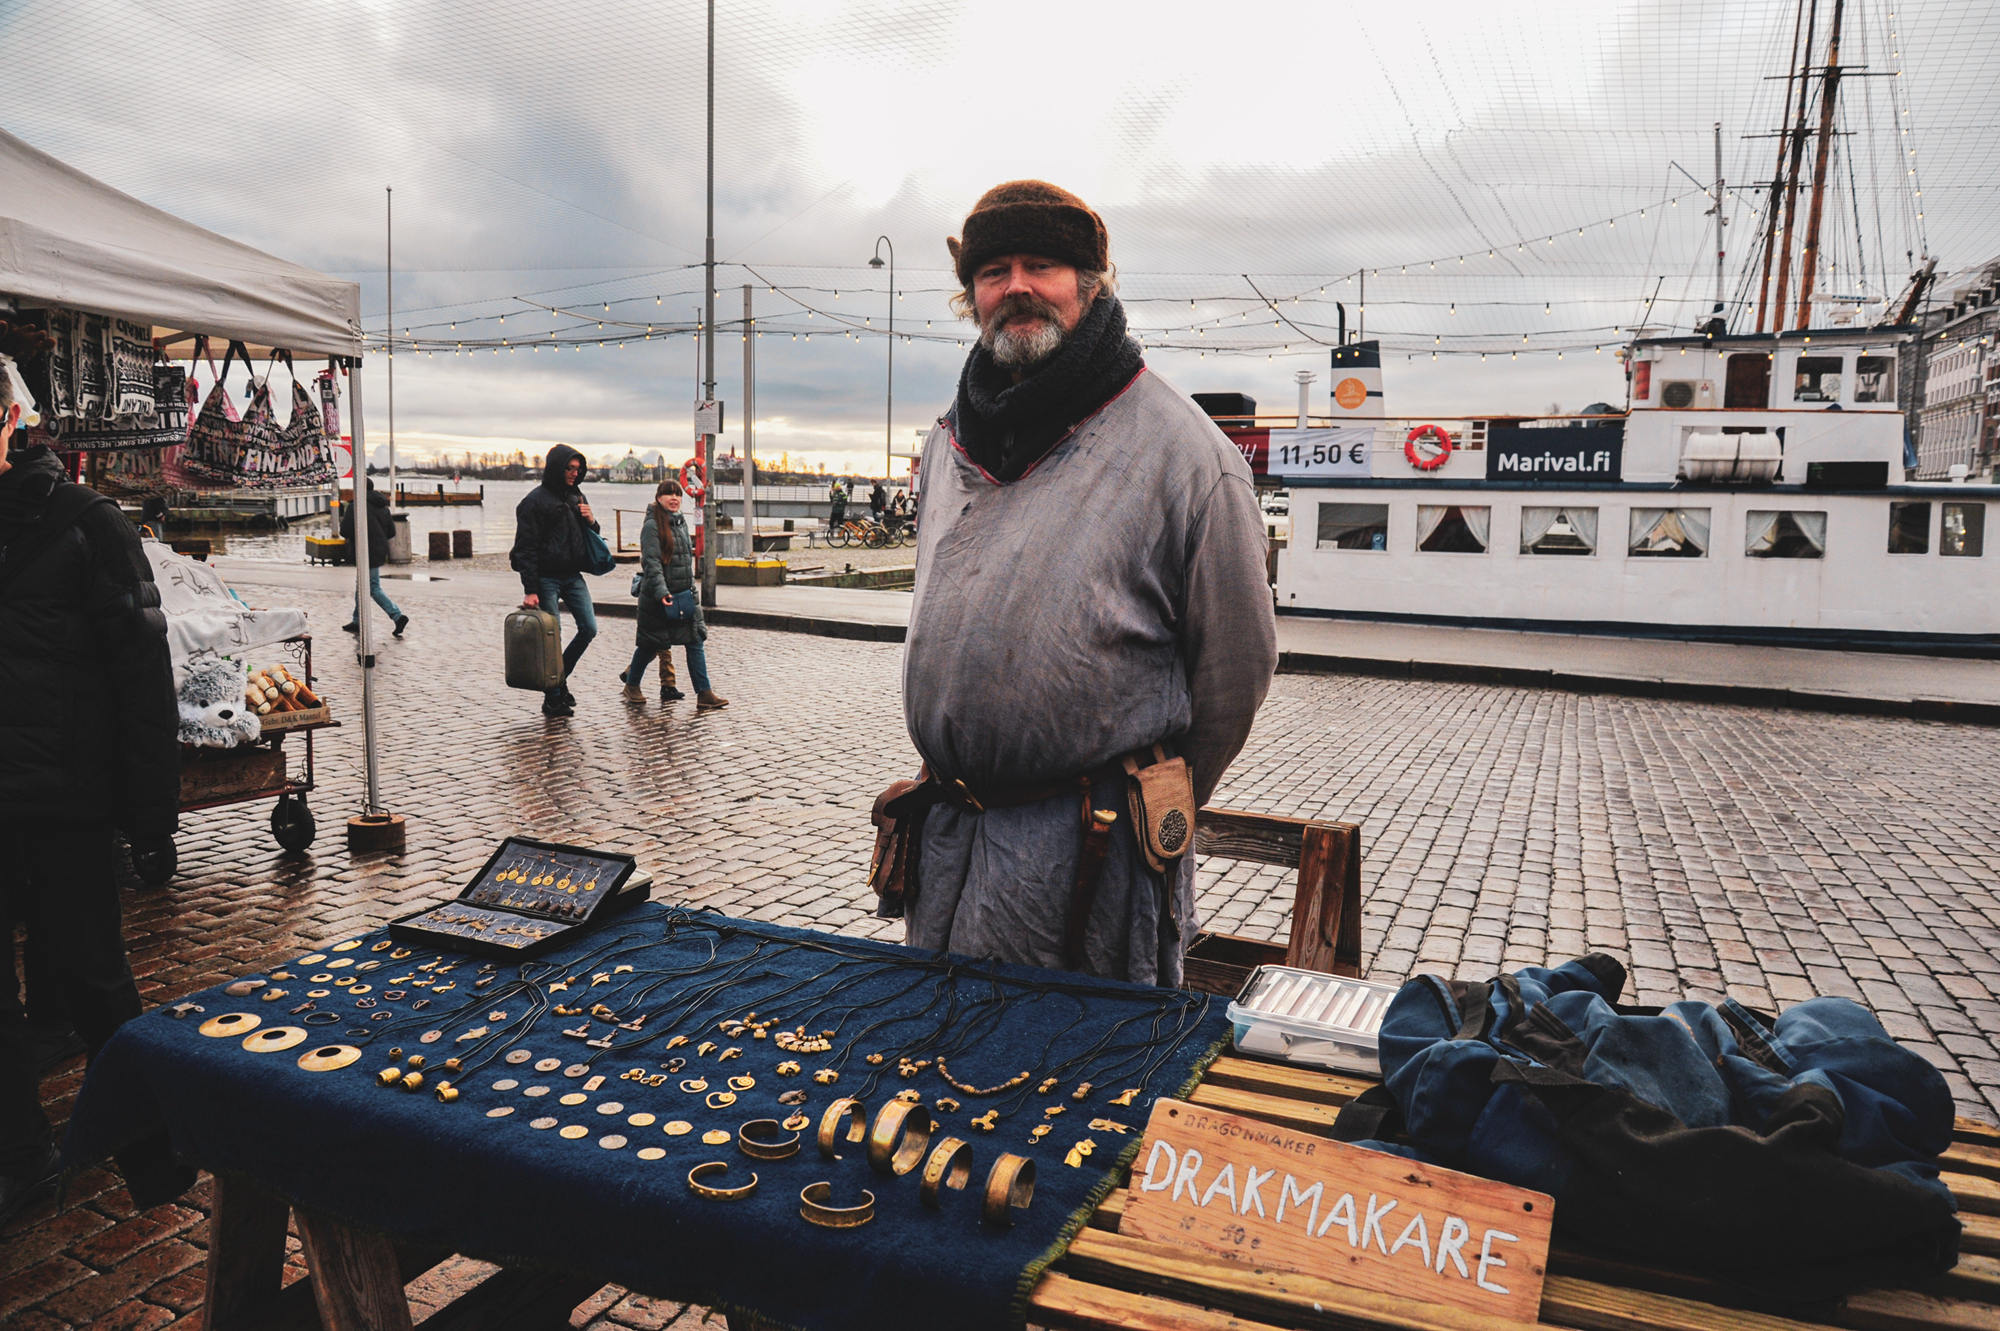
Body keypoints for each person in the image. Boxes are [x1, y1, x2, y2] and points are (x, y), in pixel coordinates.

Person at [883, 180, 1277, 986]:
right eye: (993, 271)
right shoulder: (948, 440)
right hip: (951, 837)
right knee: (928, 1057)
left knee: (1076, 1086)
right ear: (972, 297)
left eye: (1042, 264)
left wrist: (1138, 795)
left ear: (1090, 284)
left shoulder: (1187, 456)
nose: (1016, 286)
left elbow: (1236, 672)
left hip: (1092, 854)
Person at [0, 333, 187, 1226]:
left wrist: (152, 813)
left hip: (62, 803)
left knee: (93, 980)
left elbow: (141, 674)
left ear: (9, 419)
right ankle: (20, 1155)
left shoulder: (84, 522)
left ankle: (158, 1150)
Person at [510, 444, 600, 718]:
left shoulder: (576, 496)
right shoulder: (534, 502)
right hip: (546, 578)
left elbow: (591, 535)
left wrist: (592, 521)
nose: (575, 473)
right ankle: (552, 699)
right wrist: (530, 590)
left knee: (589, 629)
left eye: (578, 469)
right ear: (556, 468)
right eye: (569, 468)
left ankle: (558, 680)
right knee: (552, 638)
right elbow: (526, 548)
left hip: (573, 576)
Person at [621, 479, 727, 709]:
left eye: (677, 495)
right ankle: (632, 685)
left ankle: (704, 693)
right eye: (668, 494)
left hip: (683, 595)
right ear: (658, 497)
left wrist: (692, 591)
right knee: (649, 644)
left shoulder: (679, 523)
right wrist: (661, 592)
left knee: (695, 640)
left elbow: (684, 564)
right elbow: (651, 562)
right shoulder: (651, 526)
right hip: (659, 598)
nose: (674, 498)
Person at [339, 477, 407, 637]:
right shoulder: (383, 506)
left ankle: (397, 616)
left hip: (364, 550)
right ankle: (357, 620)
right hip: (379, 549)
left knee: (372, 586)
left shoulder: (356, 506)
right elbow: (391, 532)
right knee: (363, 584)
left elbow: (345, 531)